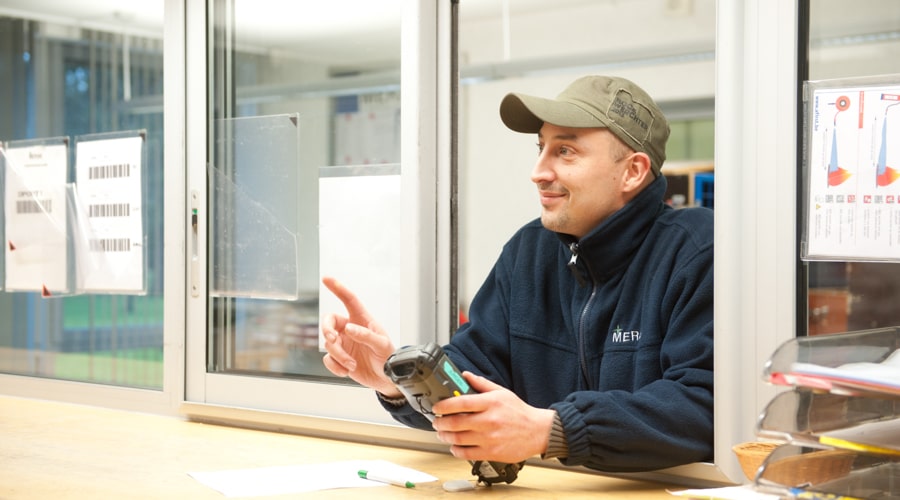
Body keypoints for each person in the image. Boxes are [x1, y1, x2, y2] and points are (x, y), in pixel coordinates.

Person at [321, 75, 714, 473]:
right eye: (541, 148)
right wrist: (402, 382)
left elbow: (702, 405)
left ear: (632, 172)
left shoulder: (697, 250)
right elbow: (474, 371)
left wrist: (553, 429)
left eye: (565, 151)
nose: (538, 172)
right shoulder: (529, 250)